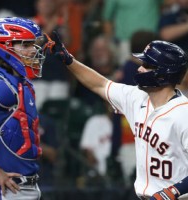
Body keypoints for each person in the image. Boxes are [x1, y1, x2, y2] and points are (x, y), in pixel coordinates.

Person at [43, 31, 188, 200]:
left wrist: (172, 191)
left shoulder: (183, 114)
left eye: (147, 65)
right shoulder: (136, 97)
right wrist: (69, 61)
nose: (140, 68)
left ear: (164, 74)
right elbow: (100, 84)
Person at [0, 17, 46, 199]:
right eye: (26, 45)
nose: (33, 50)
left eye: (33, 45)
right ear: (5, 45)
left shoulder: (23, 83)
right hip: (1, 188)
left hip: (28, 186)